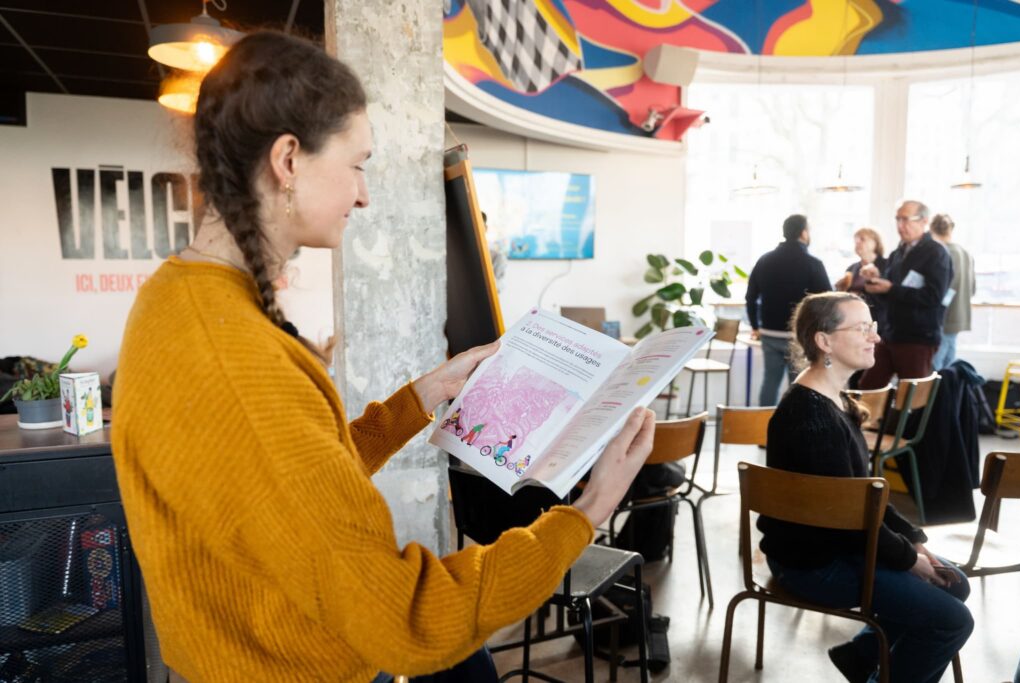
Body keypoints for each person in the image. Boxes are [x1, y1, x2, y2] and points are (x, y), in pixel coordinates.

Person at [110, 32, 657, 683]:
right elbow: (407, 621)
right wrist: (587, 511)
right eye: (358, 164)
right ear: (289, 159)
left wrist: (415, 402)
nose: (364, 195)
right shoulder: (236, 358)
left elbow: (277, 483)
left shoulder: (174, 297)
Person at [759, 291, 973, 683]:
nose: (875, 337)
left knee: (954, 585)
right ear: (824, 341)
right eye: (862, 328)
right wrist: (910, 560)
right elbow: (852, 523)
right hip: (812, 564)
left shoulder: (833, 400)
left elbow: (865, 495)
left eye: (873, 327)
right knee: (952, 620)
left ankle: (861, 655)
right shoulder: (810, 418)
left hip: (840, 545)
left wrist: (914, 540)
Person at [859, 200, 952, 388]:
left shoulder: (936, 252)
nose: (900, 226)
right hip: (890, 334)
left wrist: (891, 288)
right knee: (867, 390)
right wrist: (876, 282)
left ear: (924, 221)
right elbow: (890, 293)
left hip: (918, 338)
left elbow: (933, 297)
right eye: (897, 219)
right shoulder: (898, 253)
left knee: (910, 401)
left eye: (906, 220)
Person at [745, 213, 831, 406]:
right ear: (803, 233)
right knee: (798, 385)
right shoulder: (813, 264)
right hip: (798, 336)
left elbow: (750, 297)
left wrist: (755, 326)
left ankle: (762, 426)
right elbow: (827, 300)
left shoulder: (764, 260)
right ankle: (794, 429)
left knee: (770, 381)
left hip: (768, 332)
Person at [929, 214, 976, 370]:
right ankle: (946, 395)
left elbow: (943, 288)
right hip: (959, 316)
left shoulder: (942, 253)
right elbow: (973, 288)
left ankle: (936, 395)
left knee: (935, 367)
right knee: (948, 365)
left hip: (943, 317)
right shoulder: (966, 253)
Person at [836, 227, 889, 329]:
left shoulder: (887, 265)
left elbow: (889, 295)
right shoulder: (851, 268)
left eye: (862, 239)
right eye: (856, 240)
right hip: (854, 320)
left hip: (879, 321)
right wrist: (841, 289)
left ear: (875, 243)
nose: (857, 242)